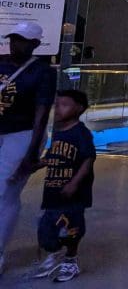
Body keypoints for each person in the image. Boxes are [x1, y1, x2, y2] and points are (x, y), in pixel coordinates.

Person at [0, 21, 57, 276]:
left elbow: (41, 113)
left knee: (5, 193)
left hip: (20, 136)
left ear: (35, 44)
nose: (15, 44)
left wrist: (32, 153)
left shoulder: (42, 72)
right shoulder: (1, 63)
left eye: (22, 40)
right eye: (13, 39)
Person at [28, 89, 95, 283]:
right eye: (57, 105)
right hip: (53, 191)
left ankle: (70, 260)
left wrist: (74, 183)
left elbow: (88, 159)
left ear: (79, 108)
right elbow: (53, 155)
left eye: (64, 105)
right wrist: (37, 164)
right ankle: (54, 255)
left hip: (73, 195)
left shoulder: (81, 133)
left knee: (71, 228)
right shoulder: (58, 133)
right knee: (46, 227)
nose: (58, 109)